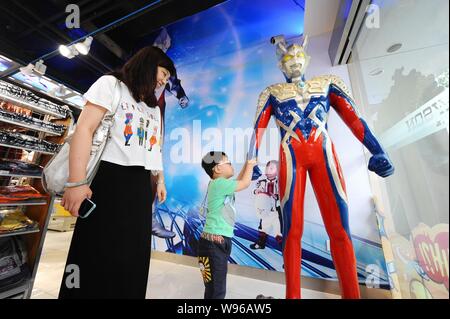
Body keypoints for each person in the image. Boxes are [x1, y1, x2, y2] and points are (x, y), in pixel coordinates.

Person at [59, 46, 176, 299]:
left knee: (132, 258)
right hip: (109, 181)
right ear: (148, 63)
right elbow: (84, 130)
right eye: (164, 72)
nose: (164, 80)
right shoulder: (111, 85)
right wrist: (76, 182)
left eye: (168, 77)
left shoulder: (155, 109)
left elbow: (155, 148)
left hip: (141, 186)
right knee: (96, 253)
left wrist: (161, 180)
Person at [198, 151, 256, 299]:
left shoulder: (220, 184)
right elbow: (245, 183)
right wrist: (250, 165)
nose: (231, 165)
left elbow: (240, 180)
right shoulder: (220, 184)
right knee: (217, 290)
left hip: (216, 242)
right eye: (228, 163)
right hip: (214, 244)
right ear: (217, 169)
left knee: (213, 288)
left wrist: (246, 164)